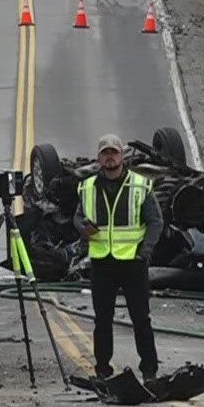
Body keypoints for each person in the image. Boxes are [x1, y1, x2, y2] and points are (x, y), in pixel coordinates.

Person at [74, 135, 162, 379]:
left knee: (141, 319)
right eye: (105, 153)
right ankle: (102, 370)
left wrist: (144, 252)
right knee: (102, 320)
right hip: (102, 262)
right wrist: (83, 228)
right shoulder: (87, 187)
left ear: (122, 156)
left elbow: (155, 221)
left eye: (113, 152)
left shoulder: (140, 185)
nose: (109, 157)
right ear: (99, 157)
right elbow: (77, 217)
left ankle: (150, 371)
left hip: (132, 263)